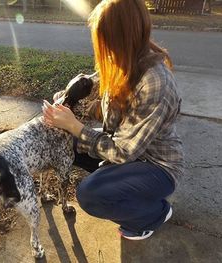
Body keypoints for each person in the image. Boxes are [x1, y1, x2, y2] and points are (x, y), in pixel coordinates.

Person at [42, 0, 184, 240]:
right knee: (63, 142)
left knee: (90, 194)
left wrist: (74, 126)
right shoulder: (122, 61)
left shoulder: (155, 83)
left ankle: (154, 213)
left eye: (104, 39)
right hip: (128, 149)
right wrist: (67, 97)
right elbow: (93, 83)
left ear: (121, 37)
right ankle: (120, 185)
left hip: (157, 166)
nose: (101, 48)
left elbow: (122, 152)